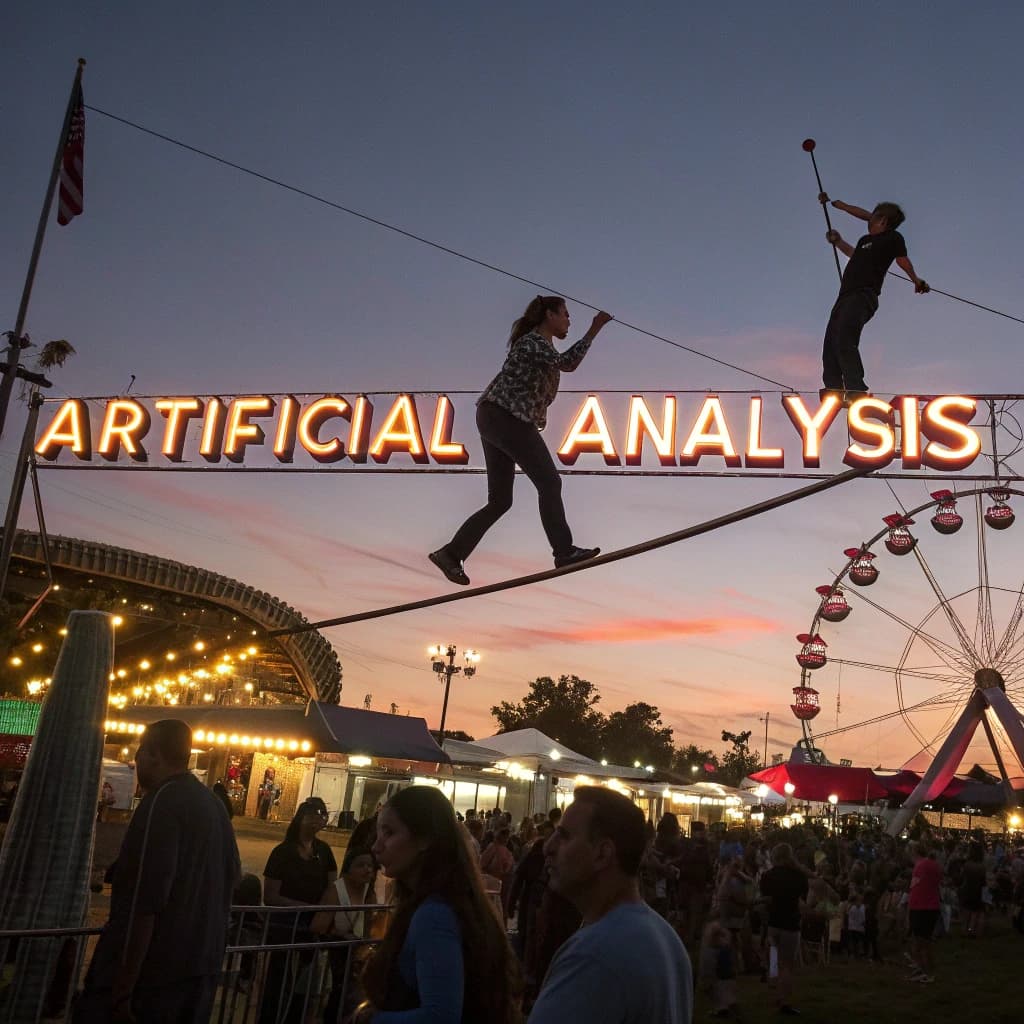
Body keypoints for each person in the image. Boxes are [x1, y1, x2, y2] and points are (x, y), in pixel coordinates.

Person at [429, 296, 613, 585]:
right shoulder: (534, 343)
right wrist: (595, 328)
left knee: (500, 500)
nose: (568, 321)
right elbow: (569, 363)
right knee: (550, 482)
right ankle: (563, 551)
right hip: (507, 417)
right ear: (549, 315)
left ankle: (451, 554)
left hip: (496, 417)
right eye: (565, 314)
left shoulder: (540, 346)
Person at [73, 720, 240, 1024]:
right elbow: (230, 882)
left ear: (153, 755)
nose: (136, 761)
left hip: (154, 977)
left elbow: (146, 902)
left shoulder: (162, 802)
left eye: (140, 753)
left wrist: (123, 990)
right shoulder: (215, 807)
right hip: (199, 970)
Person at [528, 787, 693, 1024]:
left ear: (602, 854)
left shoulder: (592, 958)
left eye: (564, 836)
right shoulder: (667, 940)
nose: (548, 847)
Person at [360, 785, 520, 1022]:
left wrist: (371, 1020)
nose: (376, 846)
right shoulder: (451, 904)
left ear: (424, 839)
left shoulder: (434, 915)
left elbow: (441, 1015)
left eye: (389, 833)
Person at [816, 195, 928, 399]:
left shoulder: (893, 238)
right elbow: (853, 253)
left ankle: (856, 388)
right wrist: (838, 241)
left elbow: (902, 260)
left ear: (883, 221)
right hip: (844, 296)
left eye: (873, 218)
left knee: (845, 337)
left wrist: (915, 279)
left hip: (863, 295)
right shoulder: (865, 241)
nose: (868, 221)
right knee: (830, 341)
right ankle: (833, 387)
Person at [260, 798, 338, 1024]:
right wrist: (303, 907)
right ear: (300, 817)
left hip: (311, 930)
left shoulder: (323, 851)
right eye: (312, 814)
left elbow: (332, 886)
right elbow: (270, 896)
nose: (317, 819)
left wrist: (322, 913)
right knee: (278, 984)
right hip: (284, 929)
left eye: (322, 814)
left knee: (306, 989)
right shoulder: (282, 852)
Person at [323, 847, 377, 1024]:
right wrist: (341, 935)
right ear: (348, 868)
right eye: (360, 865)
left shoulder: (369, 892)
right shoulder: (336, 890)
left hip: (357, 955)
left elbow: (370, 923)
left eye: (370, 865)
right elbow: (319, 925)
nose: (367, 870)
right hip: (336, 954)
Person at [759, 842, 808, 1017]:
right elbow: (803, 898)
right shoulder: (799, 876)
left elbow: (765, 898)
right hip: (791, 924)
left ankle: (774, 994)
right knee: (787, 964)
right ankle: (784, 1000)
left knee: (773, 961)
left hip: (773, 924)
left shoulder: (767, 876)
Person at [908, 840, 942, 983]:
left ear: (913, 851)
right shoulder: (933, 864)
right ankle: (922, 971)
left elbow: (915, 888)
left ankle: (927, 972)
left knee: (921, 943)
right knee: (923, 941)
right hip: (931, 906)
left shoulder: (920, 866)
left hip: (921, 907)